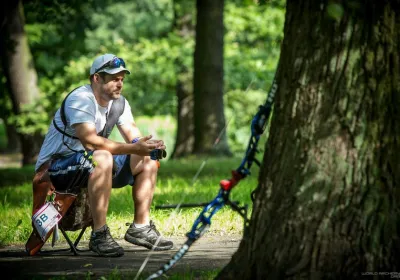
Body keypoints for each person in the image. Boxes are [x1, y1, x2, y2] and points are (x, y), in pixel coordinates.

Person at [34, 53, 174, 257]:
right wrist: (135, 148)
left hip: (89, 166)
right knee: (101, 156)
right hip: (53, 170)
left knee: (147, 158)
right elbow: (90, 141)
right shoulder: (81, 99)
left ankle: (140, 228)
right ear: (96, 78)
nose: (119, 84)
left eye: (121, 79)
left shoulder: (120, 104)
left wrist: (148, 145)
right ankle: (99, 235)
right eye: (114, 79)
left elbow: (134, 137)